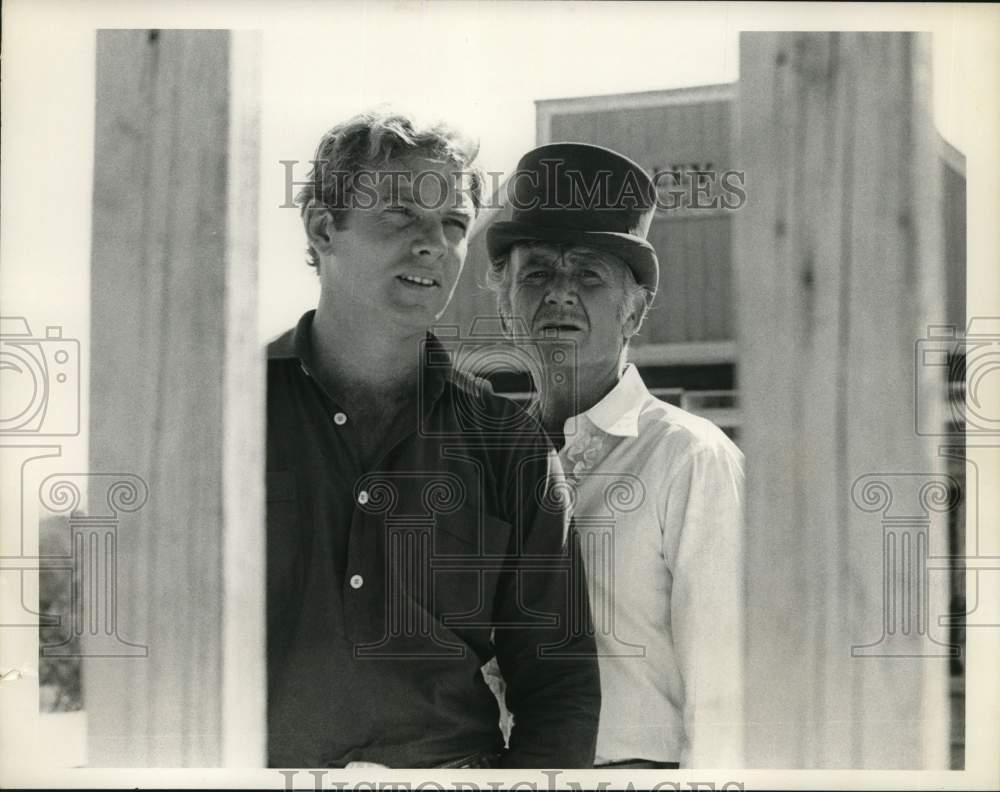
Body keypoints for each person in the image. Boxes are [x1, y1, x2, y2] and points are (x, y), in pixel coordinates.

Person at [265, 113, 601, 769]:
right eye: (400, 215)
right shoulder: (228, 421)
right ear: (322, 227)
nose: (434, 245)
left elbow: (560, 690)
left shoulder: (510, 446)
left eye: (453, 225)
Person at [486, 143, 745, 768]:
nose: (561, 295)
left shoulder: (688, 458)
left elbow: (727, 698)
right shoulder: (484, 463)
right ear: (504, 301)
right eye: (538, 273)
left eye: (590, 276)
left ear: (638, 310)